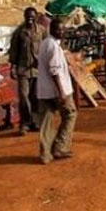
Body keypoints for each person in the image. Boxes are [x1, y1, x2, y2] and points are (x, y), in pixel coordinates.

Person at [36, 18, 77, 164]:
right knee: (70, 114)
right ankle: (60, 146)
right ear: (52, 30)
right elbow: (54, 71)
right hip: (57, 89)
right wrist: (61, 93)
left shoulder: (45, 44)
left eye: (63, 29)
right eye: (59, 29)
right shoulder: (53, 46)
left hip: (43, 90)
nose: (62, 32)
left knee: (46, 122)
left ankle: (45, 154)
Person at [9, 7, 48, 136]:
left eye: (32, 16)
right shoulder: (19, 32)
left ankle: (36, 121)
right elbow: (14, 51)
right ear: (24, 17)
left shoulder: (41, 31)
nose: (30, 19)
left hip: (37, 69)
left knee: (36, 96)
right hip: (23, 69)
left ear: (36, 17)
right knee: (24, 96)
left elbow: (48, 48)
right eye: (27, 16)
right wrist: (12, 67)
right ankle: (25, 123)